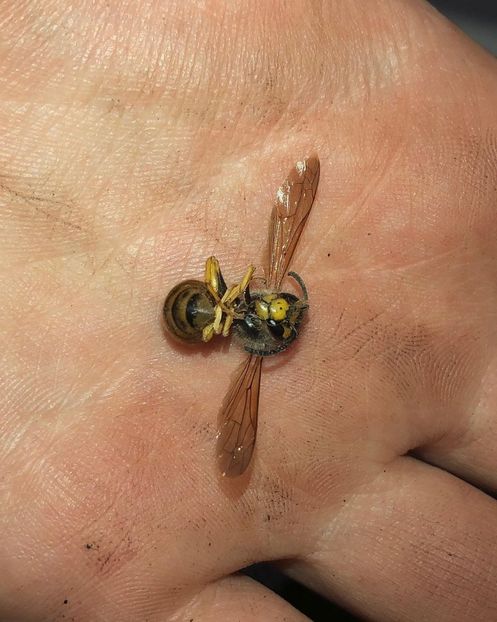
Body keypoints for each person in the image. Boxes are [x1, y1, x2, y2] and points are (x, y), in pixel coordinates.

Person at [1, 1, 497, 620]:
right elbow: (291, 203)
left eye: (277, 313)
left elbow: (239, 414)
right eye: (279, 307)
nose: (276, 308)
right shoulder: (244, 304)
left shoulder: (243, 332)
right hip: (198, 306)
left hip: (199, 310)